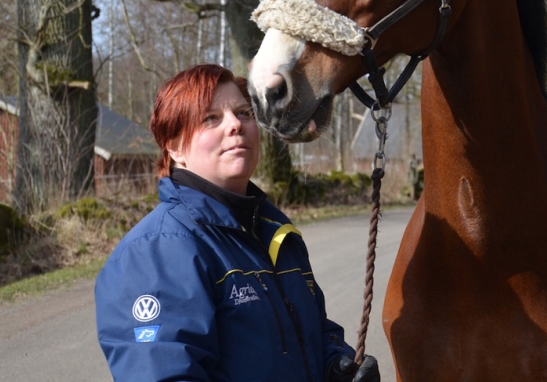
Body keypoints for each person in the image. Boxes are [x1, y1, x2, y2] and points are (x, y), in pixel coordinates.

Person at [95, 63, 379, 382]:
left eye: (244, 113)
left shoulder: (275, 232)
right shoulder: (157, 252)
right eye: (210, 118)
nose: (235, 125)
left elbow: (310, 333)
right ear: (174, 147)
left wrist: (336, 364)